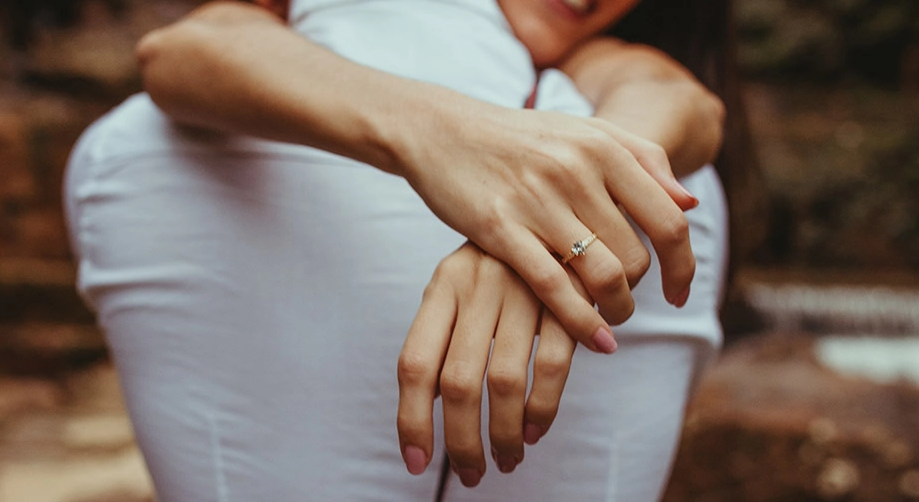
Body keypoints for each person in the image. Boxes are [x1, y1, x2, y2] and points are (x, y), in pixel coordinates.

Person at [63, 0, 732, 499]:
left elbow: (679, 101)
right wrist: (438, 137)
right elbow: (188, 50)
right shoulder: (275, 50)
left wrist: (538, 231)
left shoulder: (600, 67)